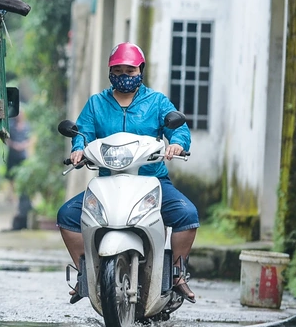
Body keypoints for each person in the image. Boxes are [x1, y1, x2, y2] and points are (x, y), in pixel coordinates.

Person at [57, 43, 200, 302]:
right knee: (67, 216)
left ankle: (177, 274)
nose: (124, 76)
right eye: (118, 70)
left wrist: (178, 143)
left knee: (187, 215)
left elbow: (178, 127)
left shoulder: (156, 102)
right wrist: (78, 148)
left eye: (130, 71)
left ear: (140, 71)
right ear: (110, 71)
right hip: (108, 181)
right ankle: (85, 275)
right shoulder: (97, 103)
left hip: (152, 180)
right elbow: (83, 132)